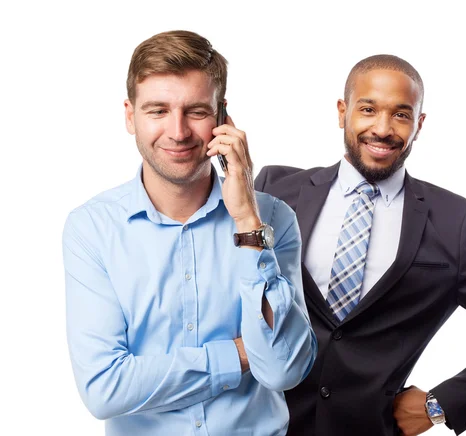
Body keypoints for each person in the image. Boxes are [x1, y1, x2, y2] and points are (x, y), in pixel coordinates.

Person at [255, 55, 466, 435]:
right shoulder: (274, 190)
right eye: (368, 109)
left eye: (400, 114)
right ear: (342, 112)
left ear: (419, 124)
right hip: (256, 424)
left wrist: (439, 405)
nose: (382, 129)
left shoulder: (453, 222)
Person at [62, 30, 316, 436]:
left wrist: (247, 221)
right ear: (130, 116)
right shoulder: (92, 229)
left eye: (196, 111)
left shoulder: (273, 218)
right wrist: (239, 354)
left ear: (222, 116)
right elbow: (104, 389)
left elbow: (284, 368)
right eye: (157, 111)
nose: (178, 132)